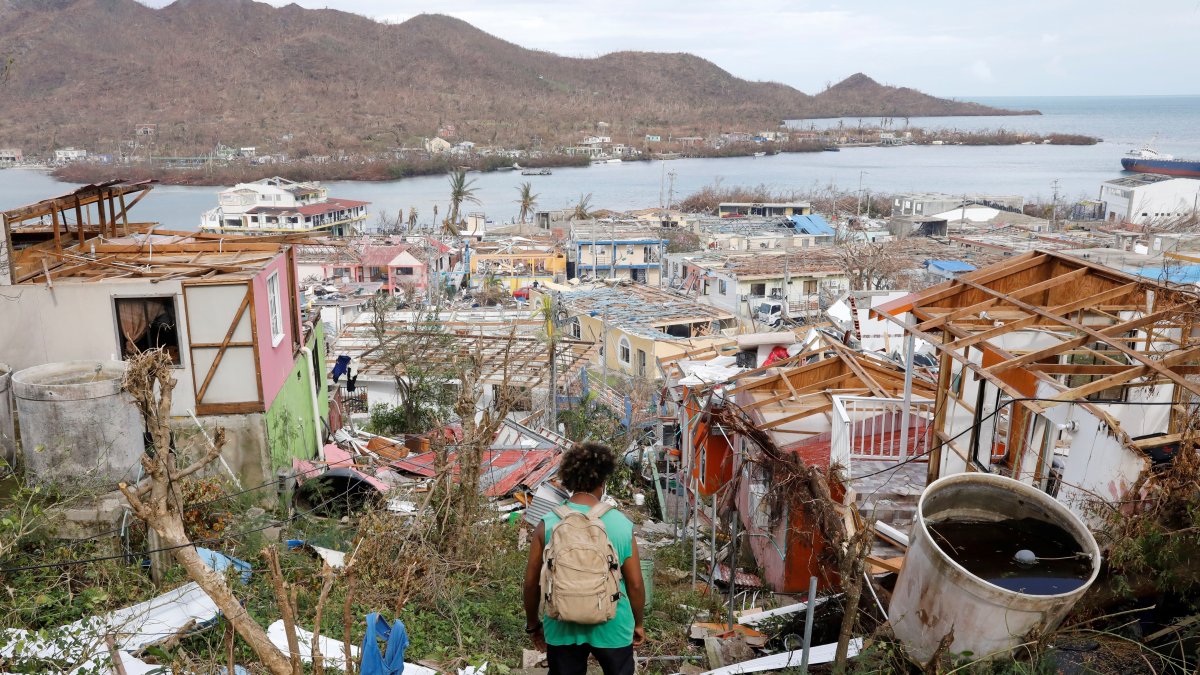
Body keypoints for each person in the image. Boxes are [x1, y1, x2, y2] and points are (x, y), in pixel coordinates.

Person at [523, 442, 645, 675]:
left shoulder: (547, 523)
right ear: (603, 481)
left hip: (561, 627)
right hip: (613, 626)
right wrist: (638, 623)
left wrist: (533, 625)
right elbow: (636, 584)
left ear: (569, 482)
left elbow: (530, 584)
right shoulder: (621, 524)